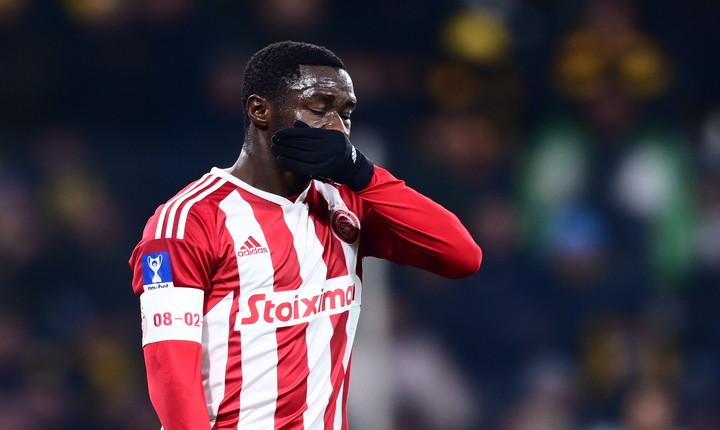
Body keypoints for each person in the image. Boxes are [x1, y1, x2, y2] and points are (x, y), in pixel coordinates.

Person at [129, 40, 482, 430]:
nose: (337, 128)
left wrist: (364, 174)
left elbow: (460, 255)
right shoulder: (188, 221)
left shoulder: (346, 204)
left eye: (345, 114)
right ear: (260, 110)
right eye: (318, 109)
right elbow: (171, 373)